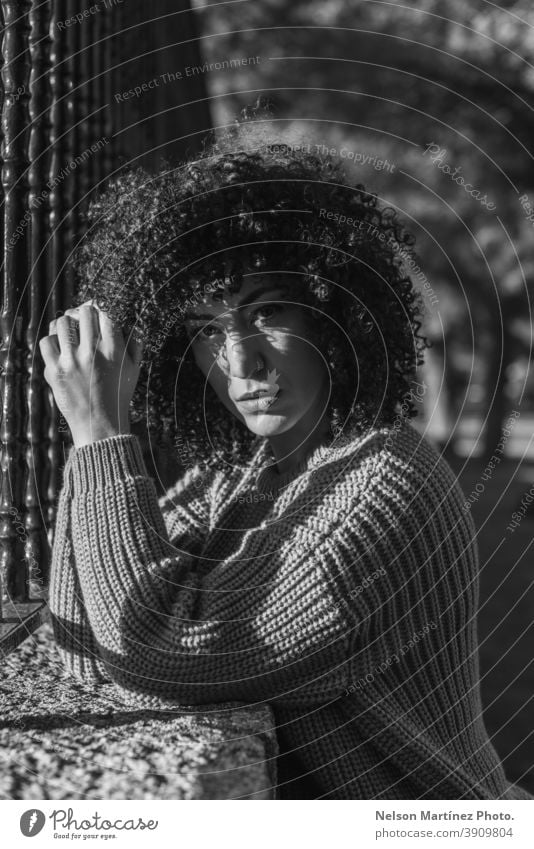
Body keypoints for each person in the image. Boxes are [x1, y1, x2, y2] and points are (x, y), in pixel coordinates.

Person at [39, 105, 531, 800]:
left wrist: (99, 435)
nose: (241, 361)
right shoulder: (240, 475)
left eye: (267, 313)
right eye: (208, 328)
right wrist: (88, 424)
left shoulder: (383, 487)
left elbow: (152, 650)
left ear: (336, 311)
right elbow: (87, 647)